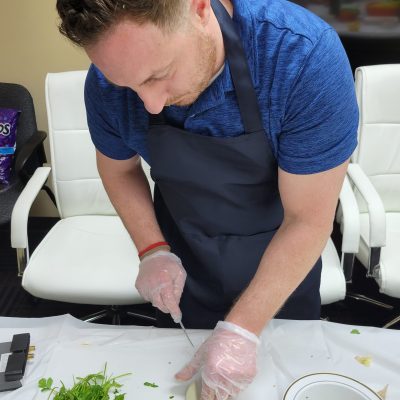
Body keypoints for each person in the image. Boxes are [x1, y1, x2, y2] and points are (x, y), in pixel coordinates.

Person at [56, 0, 359, 398]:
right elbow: (119, 170)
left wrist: (241, 331)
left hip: (281, 267)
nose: (150, 103)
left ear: (199, 9)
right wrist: (152, 249)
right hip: (187, 261)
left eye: (160, 75)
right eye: (128, 86)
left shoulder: (301, 57)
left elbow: (307, 220)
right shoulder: (106, 82)